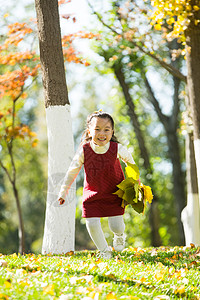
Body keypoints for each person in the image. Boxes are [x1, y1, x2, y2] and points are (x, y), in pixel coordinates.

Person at [58, 111, 136, 259]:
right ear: (89, 131)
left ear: (112, 132)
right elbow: (72, 171)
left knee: (116, 226)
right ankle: (104, 250)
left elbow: (131, 163)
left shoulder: (117, 148)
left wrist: (135, 182)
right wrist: (63, 191)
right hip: (92, 193)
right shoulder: (84, 150)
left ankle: (119, 236)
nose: (102, 133)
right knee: (92, 224)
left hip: (115, 193)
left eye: (106, 129)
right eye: (97, 129)